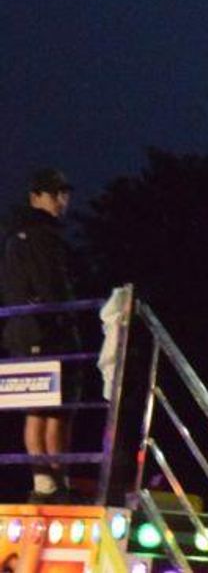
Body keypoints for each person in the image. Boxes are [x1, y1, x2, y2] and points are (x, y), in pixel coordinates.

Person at [2, 168, 83, 501]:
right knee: (42, 409)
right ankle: (47, 481)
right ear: (36, 196)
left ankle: (53, 480)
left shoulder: (22, 235)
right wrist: (61, 312)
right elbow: (50, 286)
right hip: (41, 331)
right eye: (54, 194)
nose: (61, 201)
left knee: (52, 410)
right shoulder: (36, 235)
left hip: (34, 332)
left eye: (65, 194)